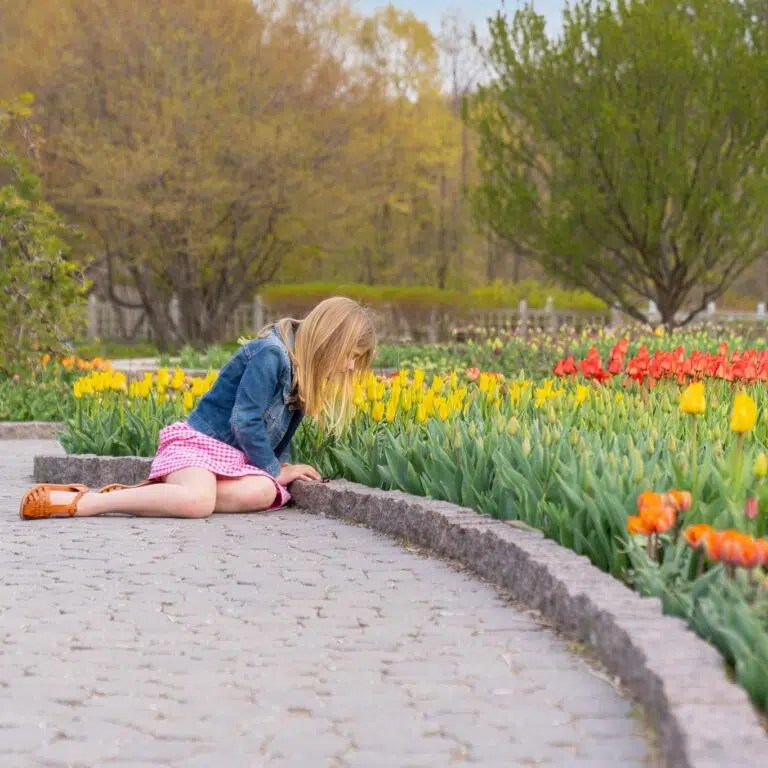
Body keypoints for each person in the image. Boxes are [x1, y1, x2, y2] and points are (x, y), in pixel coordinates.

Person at [20, 297, 376, 520]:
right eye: (350, 356)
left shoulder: (302, 376)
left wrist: (279, 468)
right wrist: (272, 467)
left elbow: (276, 436)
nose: (348, 366)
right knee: (198, 504)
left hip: (234, 464)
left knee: (265, 491)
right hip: (201, 448)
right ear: (330, 340)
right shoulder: (272, 354)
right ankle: (88, 502)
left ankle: (151, 497)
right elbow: (245, 420)